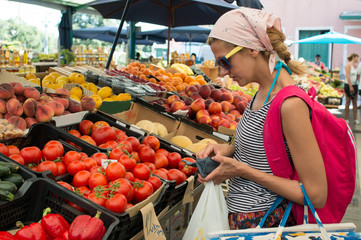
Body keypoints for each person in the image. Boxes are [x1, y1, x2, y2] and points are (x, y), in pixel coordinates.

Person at [197, 7, 327, 230]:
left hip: (267, 227)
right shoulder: (261, 94)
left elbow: (315, 194)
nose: (222, 73)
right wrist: (226, 151)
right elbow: (261, 155)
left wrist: (241, 170)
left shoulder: (290, 105)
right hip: (247, 223)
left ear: (251, 49)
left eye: (224, 62)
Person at [344, 53, 359, 124]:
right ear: (353, 57)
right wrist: (350, 86)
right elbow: (347, 75)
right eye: (357, 57)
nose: (357, 59)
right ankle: (346, 119)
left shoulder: (355, 66)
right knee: (347, 102)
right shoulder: (348, 65)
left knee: (355, 103)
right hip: (348, 85)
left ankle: (355, 119)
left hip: (355, 85)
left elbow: (357, 76)